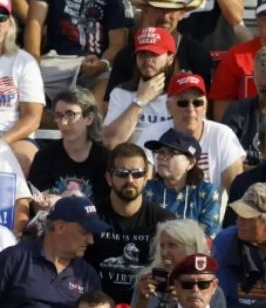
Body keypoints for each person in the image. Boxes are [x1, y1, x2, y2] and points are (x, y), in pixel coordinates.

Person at [85, 143, 177, 303]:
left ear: (146, 178)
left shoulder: (164, 221)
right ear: (108, 178)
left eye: (137, 174)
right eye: (121, 173)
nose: (130, 180)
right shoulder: (91, 215)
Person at [105, 0, 212, 100]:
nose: (165, 17)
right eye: (159, 9)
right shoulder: (126, 56)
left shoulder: (197, 54)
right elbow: (110, 106)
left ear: (182, 14)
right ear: (146, 11)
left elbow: (204, 107)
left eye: (172, 10)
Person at [141, 73, 245, 192]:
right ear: (168, 107)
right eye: (183, 103)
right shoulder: (152, 134)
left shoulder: (222, 134)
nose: (190, 109)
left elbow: (236, 192)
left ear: (205, 106)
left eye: (197, 103)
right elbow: (144, 185)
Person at [0, 196, 107, 306]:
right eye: (84, 231)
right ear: (60, 227)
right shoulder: (14, 259)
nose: (91, 240)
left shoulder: (88, 277)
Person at [29, 87, 110, 204]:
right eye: (58, 115)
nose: (63, 122)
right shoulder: (45, 156)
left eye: (70, 114)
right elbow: (39, 203)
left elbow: (106, 207)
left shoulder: (104, 158)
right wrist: (43, 205)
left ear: (89, 118)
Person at [102, 26, 177, 149]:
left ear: (170, 58)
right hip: (131, 164)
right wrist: (140, 100)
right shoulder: (120, 93)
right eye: (142, 54)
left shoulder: (182, 95)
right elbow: (111, 142)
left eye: (154, 53)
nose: (147, 59)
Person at [131, 219, 226, 308]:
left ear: (191, 249)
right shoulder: (147, 283)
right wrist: (143, 301)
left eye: (172, 245)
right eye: (162, 246)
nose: (164, 253)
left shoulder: (209, 289)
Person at [144, 129, 220, 236]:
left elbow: (207, 236)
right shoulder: (146, 188)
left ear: (190, 163)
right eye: (160, 152)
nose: (161, 157)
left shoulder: (206, 192)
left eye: (171, 152)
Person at [0, 0, 42, 174]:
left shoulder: (24, 61)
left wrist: (2, 143)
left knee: (23, 160)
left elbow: (32, 118)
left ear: (10, 23)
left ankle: (20, 204)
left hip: (14, 137)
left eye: (1, 16)